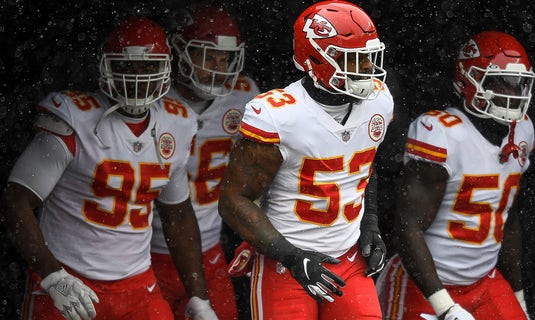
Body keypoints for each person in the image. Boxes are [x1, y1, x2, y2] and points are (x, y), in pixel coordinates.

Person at [0, 16, 218, 320]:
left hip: (138, 285)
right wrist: (52, 275)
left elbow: (177, 214)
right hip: (70, 280)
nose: (137, 78)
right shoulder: (74, 117)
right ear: (105, 67)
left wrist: (199, 296)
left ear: (166, 68)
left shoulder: (177, 122)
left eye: (148, 67)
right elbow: (16, 200)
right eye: (127, 67)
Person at [218, 1, 393, 318]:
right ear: (316, 60)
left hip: (347, 258)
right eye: (355, 58)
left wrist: (371, 226)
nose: (368, 67)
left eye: (369, 56)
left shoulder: (379, 100)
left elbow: (362, 166)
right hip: (283, 264)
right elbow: (233, 200)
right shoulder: (278, 114)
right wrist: (290, 256)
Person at [375, 31, 535, 320]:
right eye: (503, 82)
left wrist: (518, 295)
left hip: (485, 281)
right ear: (467, 80)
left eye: (519, 83)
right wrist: (444, 306)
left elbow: (508, 220)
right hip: (425, 284)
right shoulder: (443, 133)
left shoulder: (522, 131)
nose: (512, 93)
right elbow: (407, 227)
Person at [149, 3, 260, 320]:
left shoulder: (243, 95)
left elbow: (264, 175)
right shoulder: (149, 98)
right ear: (179, 52)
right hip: (140, 254)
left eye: (224, 58)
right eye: (207, 56)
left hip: (209, 252)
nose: (218, 66)